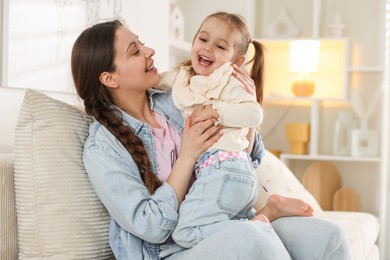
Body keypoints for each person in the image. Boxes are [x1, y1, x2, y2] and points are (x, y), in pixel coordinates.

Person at [71, 19, 351, 260]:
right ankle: (262, 219)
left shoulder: (178, 98)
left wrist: (246, 102)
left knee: (330, 236)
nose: (149, 50)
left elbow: (250, 158)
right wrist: (188, 155)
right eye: (135, 51)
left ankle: (261, 218)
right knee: (251, 239)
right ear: (109, 78)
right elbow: (151, 226)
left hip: (232, 220)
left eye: (142, 42)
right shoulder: (103, 147)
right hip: (171, 250)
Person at [158, 11, 308, 248]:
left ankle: (260, 222)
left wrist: (215, 110)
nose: (208, 48)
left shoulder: (229, 81)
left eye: (220, 46)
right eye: (203, 39)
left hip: (225, 170)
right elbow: (155, 81)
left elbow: (254, 113)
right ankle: (267, 213)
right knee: (221, 223)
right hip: (230, 173)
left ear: (235, 62)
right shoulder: (183, 77)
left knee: (186, 232)